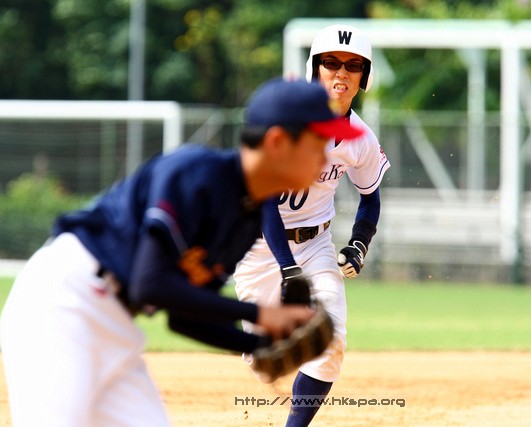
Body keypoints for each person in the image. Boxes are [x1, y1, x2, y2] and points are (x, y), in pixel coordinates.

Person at [0, 78, 364, 427]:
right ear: (278, 142)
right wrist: (261, 314)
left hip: (116, 324)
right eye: (317, 143)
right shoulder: (195, 173)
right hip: (62, 304)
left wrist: (257, 344)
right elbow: (150, 284)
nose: (325, 158)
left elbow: (183, 317)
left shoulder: (248, 218)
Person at [234, 24, 390, 426]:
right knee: (264, 360)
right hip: (259, 247)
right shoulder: (287, 125)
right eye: (331, 63)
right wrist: (287, 268)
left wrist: (359, 242)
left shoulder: (361, 139)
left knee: (331, 339)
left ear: (365, 76)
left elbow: (370, 198)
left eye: (353, 65)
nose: (342, 72)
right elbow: (265, 201)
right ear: (314, 69)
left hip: (316, 246)